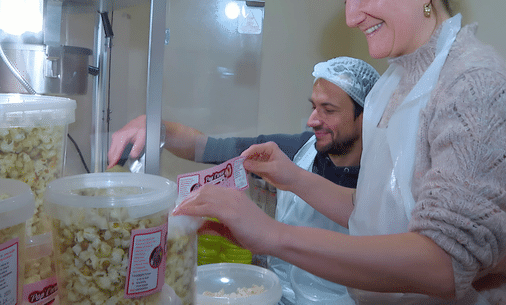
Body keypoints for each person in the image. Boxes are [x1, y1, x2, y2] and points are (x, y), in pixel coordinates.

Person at [173, 0, 506, 304]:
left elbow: (443, 265)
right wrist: (292, 177)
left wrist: (271, 235)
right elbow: (374, 214)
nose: (350, 16)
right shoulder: (393, 84)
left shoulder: (474, 86)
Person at [107, 56, 380, 305]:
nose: (312, 120)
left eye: (328, 110)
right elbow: (206, 147)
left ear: (365, 117)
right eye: (313, 107)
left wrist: (267, 232)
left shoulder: (384, 179)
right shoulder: (300, 151)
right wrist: (155, 127)